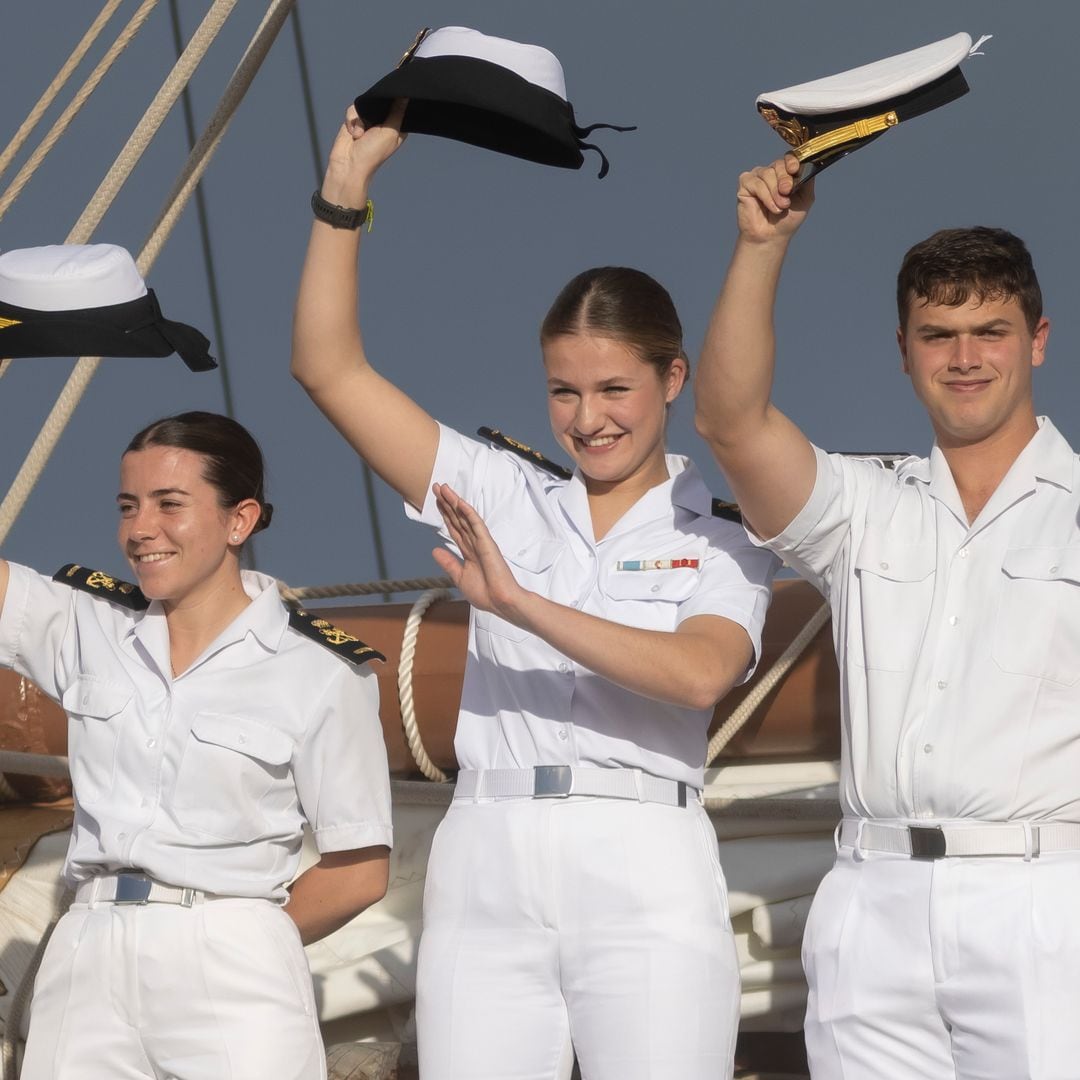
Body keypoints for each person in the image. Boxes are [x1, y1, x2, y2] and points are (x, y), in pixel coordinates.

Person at [291, 102, 778, 1080]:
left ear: (673, 377)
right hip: (489, 859)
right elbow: (327, 369)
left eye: (613, 391)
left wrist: (519, 605)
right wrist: (344, 194)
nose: (587, 419)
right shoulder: (501, 494)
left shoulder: (722, 532)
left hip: (643, 858)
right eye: (564, 391)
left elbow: (696, 675)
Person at [694, 152, 1080, 1079]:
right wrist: (762, 244)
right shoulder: (862, 508)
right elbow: (731, 425)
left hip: (1042, 905)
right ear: (902, 349)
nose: (964, 356)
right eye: (937, 333)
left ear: (1038, 339)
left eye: (990, 330)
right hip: (870, 906)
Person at [0, 411, 393, 1080]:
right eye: (128, 506)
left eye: (168, 504)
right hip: (87, 954)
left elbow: (360, 868)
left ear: (239, 520)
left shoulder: (321, 670)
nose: (139, 529)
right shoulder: (85, 627)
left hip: (233, 958)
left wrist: (240, 937)